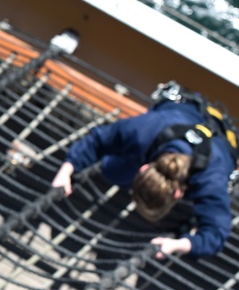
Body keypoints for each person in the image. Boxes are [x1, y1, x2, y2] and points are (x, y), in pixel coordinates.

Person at [51, 85, 237, 259]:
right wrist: (67, 170)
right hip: (180, 115)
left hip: (217, 140)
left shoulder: (211, 178)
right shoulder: (146, 130)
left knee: (114, 171)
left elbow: (216, 234)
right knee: (111, 170)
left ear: (143, 167)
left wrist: (180, 244)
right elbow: (99, 140)